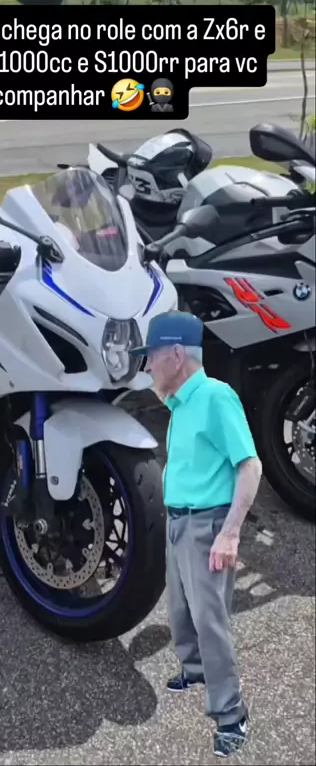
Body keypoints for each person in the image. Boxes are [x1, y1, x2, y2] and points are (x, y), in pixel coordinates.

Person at [130, 310, 262, 759]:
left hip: (208, 525)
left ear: (175, 353)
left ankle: (231, 715)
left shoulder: (215, 397)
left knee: (210, 621)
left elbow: (250, 466)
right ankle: (195, 669)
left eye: (151, 356)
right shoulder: (180, 403)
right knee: (180, 610)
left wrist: (230, 534)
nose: (147, 364)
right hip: (179, 521)